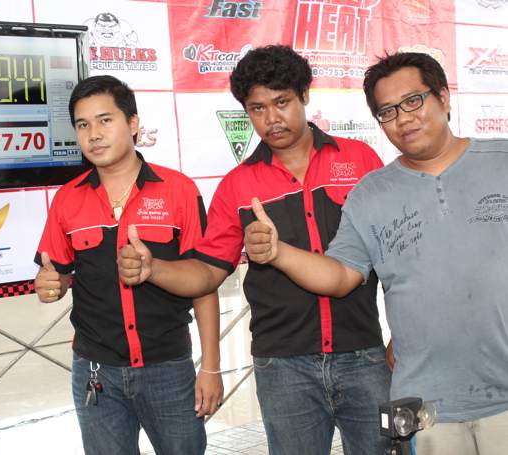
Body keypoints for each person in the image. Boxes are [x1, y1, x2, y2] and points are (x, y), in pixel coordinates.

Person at [118, 45, 391, 454]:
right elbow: (207, 272)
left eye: (282, 102)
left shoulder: (360, 160)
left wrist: (403, 339)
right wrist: (153, 268)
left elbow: (396, 260)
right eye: (257, 108)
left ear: (305, 95)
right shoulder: (237, 186)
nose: (271, 118)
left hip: (364, 355)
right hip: (284, 369)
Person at [243, 52, 508, 454]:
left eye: (413, 101)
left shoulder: (501, 163)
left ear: (443, 97)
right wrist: (277, 252)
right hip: (427, 408)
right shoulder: (370, 193)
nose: (403, 119)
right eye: (387, 111)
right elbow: (339, 276)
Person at [34, 75, 223, 455]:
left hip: (169, 369)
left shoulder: (179, 190)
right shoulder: (67, 199)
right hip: (96, 372)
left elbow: (204, 282)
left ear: (133, 124)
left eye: (105, 120)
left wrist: (211, 368)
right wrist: (48, 284)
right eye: (83, 125)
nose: (93, 135)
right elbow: (57, 275)